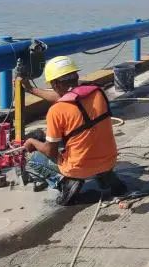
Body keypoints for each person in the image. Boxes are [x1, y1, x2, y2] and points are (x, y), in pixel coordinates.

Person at [22, 56, 126, 206]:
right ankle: (105, 177)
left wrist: (32, 142)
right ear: (76, 76)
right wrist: (31, 89)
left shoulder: (56, 111)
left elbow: (51, 152)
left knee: (33, 158)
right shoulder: (98, 93)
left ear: (54, 84)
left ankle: (64, 182)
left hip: (78, 168)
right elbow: (68, 96)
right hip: (109, 161)